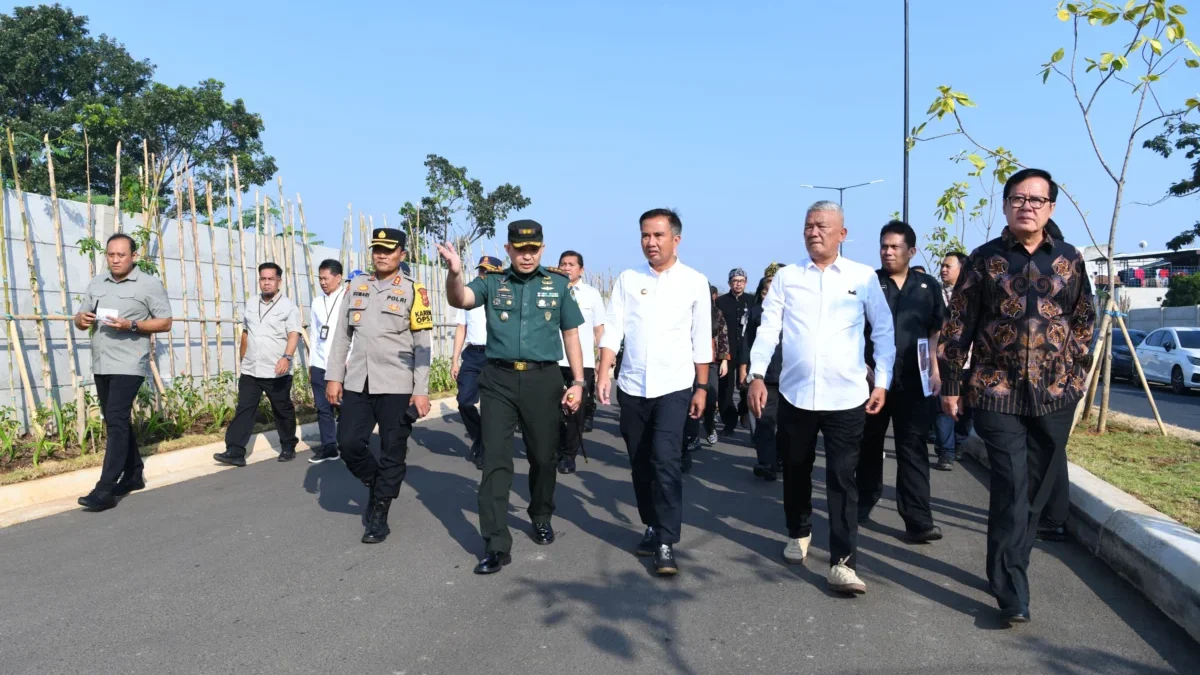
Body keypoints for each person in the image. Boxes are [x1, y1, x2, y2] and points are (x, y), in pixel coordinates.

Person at [939, 168, 1095, 624]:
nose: (1026, 206)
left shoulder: (1070, 259)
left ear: (1050, 208)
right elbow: (957, 325)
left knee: (1038, 491)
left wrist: (1077, 376)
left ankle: (1003, 565)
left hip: (1054, 395)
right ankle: (1013, 590)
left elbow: (1085, 320)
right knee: (1010, 484)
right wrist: (951, 384)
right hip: (995, 390)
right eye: (1018, 198)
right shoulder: (984, 259)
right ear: (1005, 205)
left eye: (1036, 200)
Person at [747, 200, 894, 595]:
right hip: (796, 394)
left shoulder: (863, 278)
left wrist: (882, 382)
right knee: (795, 468)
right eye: (809, 226)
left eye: (823, 226)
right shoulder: (787, 278)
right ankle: (799, 530)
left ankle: (843, 563)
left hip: (847, 397)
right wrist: (756, 374)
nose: (815, 232)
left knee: (843, 479)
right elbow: (768, 329)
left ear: (842, 234)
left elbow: (882, 333)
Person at [439, 221, 586, 575]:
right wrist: (455, 273)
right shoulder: (492, 282)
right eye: (520, 249)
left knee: (543, 457)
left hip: (543, 379)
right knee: (496, 462)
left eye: (533, 249)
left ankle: (540, 515)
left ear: (542, 249)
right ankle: (495, 543)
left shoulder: (559, 285)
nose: (526, 255)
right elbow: (460, 298)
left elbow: (571, 334)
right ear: (508, 250)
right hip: (499, 379)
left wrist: (578, 381)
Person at [597, 208, 711, 577]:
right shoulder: (629, 280)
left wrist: (703, 387)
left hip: (674, 386)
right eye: (645, 235)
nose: (651, 242)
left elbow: (700, 339)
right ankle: (650, 523)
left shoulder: (694, 281)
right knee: (640, 461)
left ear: (676, 239)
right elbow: (613, 329)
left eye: (658, 235)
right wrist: (604, 371)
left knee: (665, 461)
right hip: (631, 386)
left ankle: (666, 540)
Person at [323, 228, 433, 543]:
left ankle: (379, 515)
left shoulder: (415, 290)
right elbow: (342, 336)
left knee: (392, 451)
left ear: (402, 254)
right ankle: (378, 482)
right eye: (377, 249)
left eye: (388, 249)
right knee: (349, 444)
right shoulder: (356, 286)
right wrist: (334, 376)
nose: (381, 255)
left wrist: (421, 389)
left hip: (398, 384)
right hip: (359, 380)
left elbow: (423, 345)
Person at [856, 221, 946, 543]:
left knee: (913, 449)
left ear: (911, 251)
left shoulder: (928, 287)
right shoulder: (867, 283)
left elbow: (935, 330)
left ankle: (918, 520)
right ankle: (861, 503)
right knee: (868, 445)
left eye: (895, 247)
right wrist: (863, 366)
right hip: (873, 382)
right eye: (884, 246)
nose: (888, 252)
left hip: (914, 381)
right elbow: (854, 330)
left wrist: (934, 369)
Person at [72, 233, 173, 511]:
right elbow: (80, 319)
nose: (115, 259)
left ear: (133, 256)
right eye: (111, 255)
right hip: (101, 362)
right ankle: (134, 473)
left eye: (121, 255)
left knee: (116, 418)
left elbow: (165, 322)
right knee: (115, 418)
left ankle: (105, 489)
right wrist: (81, 319)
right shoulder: (97, 282)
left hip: (129, 363)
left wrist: (131, 325)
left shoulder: (149, 284)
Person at [214, 263, 303, 468]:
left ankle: (288, 445)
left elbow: (293, 334)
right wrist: (242, 356)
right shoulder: (251, 303)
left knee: (282, 410)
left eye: (271, 279)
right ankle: (235, 451)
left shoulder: (288, 306)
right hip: (251, 369)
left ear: (279, 281)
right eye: (263, 279)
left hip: (276, 370)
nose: (266, 283)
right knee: (244, 409)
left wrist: (286, 358)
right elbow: (246, 332)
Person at [555, 250, 605, 474]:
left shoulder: (592, 295)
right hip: (554, 360)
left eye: (571, 264)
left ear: (581, 270)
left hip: (581, 363)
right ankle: (556, 448)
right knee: (553, 410)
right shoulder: (551, 291)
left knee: (576, 410)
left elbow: (599, 329)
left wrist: (601, 360)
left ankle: (569, 454)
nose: (566, 268)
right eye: (563, 264)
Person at [452, 255, 504, 470]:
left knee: (494, 407)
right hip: (473, 354)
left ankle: (486, 448)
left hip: (498, 355)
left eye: (489, 271)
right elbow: (461, 328)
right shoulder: (468, 295)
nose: (485, 275)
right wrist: (454, 360)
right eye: (482, 271)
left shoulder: (506, 296)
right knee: (464, 401)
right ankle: (479, 437)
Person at [740, 273, 785, 481]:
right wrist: (745, 369)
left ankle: (781, 458)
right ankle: (766, 462)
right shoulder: (756, 311)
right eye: (765, 291)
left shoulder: (795, 311)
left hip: (790, 376)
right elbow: (747, 342)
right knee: (764, 420)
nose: (768, 295)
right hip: (764, 376)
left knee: (786, 422)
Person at [682, 285, 729, 471]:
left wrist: (724, 360)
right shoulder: (687, 312)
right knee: (691, 398)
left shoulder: (716, 314)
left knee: (710, 398)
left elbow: (723, 337)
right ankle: (692, 436)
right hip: (689, 361)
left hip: (710, 361)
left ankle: (709, 426)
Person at [932, 251, 971, 471]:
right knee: (944, 407)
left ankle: (959, 445)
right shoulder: (936, 295)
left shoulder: (974, 296)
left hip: (972, 362)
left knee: (968, 409)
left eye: (948, 266)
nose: (943, 269)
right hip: (944, 362)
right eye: (942, 265)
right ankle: (945, 452)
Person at [307, 259, 346, 464]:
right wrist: (311, 363)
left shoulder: (348, 298)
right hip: (320, 362)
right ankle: (329, 447)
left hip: (342, 363)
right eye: (320, 278)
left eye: (326, 278)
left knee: (345, 405)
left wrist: (349, 361)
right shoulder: (316, 301)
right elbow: (314, 334)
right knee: (323, 408)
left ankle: (351, 441)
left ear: (338, 277)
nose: (322, 282)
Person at [715, 268, 752, 436]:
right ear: (729, 283)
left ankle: (744, 411)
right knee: (726, 389)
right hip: (726, 352)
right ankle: (728, 422)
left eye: (741, 281)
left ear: (746, 282)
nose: (738, 284)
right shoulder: (721, 302)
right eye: (735, 281)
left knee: (746, 386)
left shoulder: (752, 301)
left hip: (747, 351)